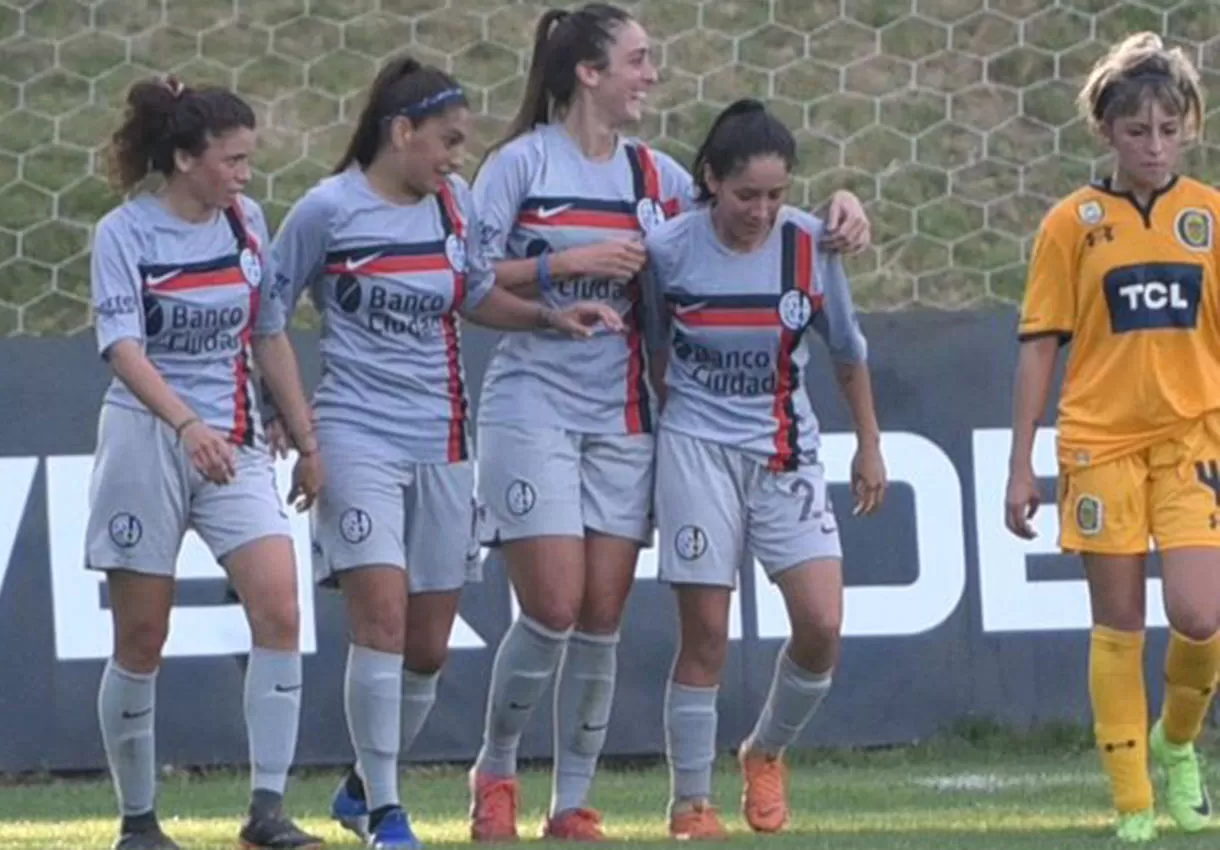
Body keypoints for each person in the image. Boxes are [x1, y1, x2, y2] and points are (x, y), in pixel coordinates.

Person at [466, 3, 873, 841]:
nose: (652, 76)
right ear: (589, 73)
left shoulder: (656, 178)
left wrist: (843, 202)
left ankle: (569, 804)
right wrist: (562, 272)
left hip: (625, 414)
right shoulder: (516, 166)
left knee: (602, 613)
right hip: (534, 403)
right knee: (551, 605)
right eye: (639, 61)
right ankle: (495, 770)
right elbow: (465, 281)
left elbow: (746, 209)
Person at [266, 58, 624, 850]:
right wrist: (297, 425)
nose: (458, 157)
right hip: (356, 435)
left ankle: (362, 786)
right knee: (382, 623)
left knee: (427, 649)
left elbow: (470, 295)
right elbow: (267, 314)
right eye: (448, 141)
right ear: (401, 133)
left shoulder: (453, 209)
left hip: (443, 439)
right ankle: (389, 813)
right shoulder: (326, 212)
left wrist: (544, 318)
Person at [85, 75, 324, 850]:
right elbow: (123, 348)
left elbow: (266, 331)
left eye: (248, 160)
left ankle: (266, 812)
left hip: (236, 441)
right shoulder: (124, 234)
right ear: (185, 158)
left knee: (281, 610)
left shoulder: (246, 223)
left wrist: (302, 431)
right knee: (141, 639)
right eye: (232, 160)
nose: (244, 176)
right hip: (149, 441)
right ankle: (138, 822)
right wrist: (185, 424)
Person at [641, 98, 885, 841]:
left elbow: (846, 351)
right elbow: (653, 350)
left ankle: (765, 751)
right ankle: (690, 804)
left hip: (787, 453)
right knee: (706, 634)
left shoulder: (810, 245)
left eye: (777, 195)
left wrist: (869, 444)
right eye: (748, 194)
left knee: (821, 624)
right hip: (695, 451)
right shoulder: (669, 250)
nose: (762, 210)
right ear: (710, 180)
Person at [1004, 32, 1219, 845]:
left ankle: (1179, 744)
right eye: (1139, 131)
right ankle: (1134, 802)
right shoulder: (1072, 225)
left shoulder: (1209, 216)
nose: (1156, 146)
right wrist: (1021, 463)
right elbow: (1039, 344)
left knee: (1201, 615)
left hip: (1194, 439)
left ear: (1187, 128)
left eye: (1170, 129)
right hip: (1100, 445)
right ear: (1107, 132)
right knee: (1118, 626)